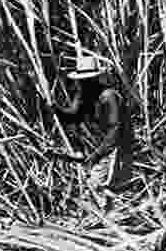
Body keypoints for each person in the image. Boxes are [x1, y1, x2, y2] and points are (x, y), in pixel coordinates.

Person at [51, 55, 133, 214]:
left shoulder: (108, 96)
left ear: (95, 79)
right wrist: (56, 110)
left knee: (100, 184)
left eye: (87, 80)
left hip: (117, 148)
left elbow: (115, 129)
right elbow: (74, 115)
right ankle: (103, 217)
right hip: (105, 146)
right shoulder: (85, 95)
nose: (82, 83)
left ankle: (106, 220)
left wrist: (96, 155)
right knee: (97, 185)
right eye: (81, 80)